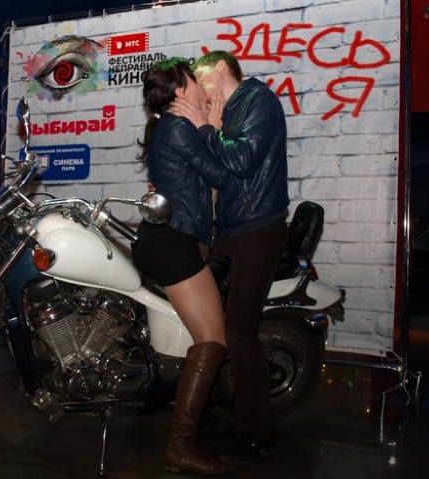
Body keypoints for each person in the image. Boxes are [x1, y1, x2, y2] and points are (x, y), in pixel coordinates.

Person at [170, 50, 290, 460]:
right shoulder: (227, 108)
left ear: (221, 67)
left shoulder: (258, 99)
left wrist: (205, 125)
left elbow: (241, 160)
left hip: (259, 228)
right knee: (211, 323)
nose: (199, 87)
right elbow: (218, 168)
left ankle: (257, 429)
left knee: (239, 329)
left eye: (201, 76)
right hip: (231, 229)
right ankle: (212, 402)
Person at [132, 58, 233, 476]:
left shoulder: (171, 126)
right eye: (193, 80)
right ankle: (180, 446)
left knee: (205, 336)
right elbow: (222, 175)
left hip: (168, 239)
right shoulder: (178, 126)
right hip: (172, 243)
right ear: (179, 90)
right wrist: (211, 125)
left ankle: (182, 414)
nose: (200, 86)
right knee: (212, 340)